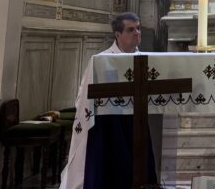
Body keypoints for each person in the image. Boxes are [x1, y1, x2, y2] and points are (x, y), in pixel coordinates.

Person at [60, 13, 158, 189]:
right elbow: (85, 95)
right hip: (110, 123)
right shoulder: (101, 60)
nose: (137, 32)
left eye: (138, 28)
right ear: (117, 34)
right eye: (131, 30)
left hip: (137, 120)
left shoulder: (147, 60)